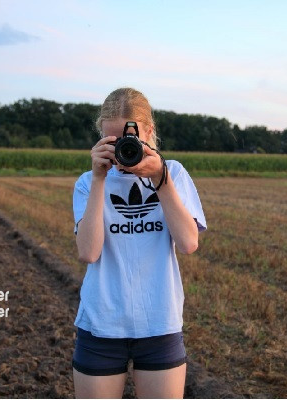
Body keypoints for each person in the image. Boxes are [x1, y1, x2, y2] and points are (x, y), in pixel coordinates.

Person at [72, 87, 207, 398]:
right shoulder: (86, 183)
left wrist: (158, 177)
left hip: (159, 322)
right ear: (100, 136)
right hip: (101, 324)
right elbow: (89, 252)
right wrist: (98, 179)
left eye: (131, 140)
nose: (124, 149)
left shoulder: (173, 173)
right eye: (114, 141)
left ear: (149, 131)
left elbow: (188, 243)